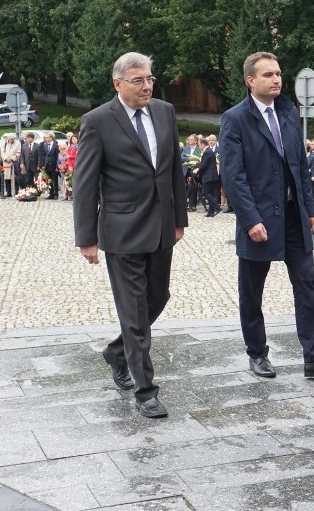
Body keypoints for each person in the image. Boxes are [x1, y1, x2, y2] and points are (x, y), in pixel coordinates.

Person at [73, 52, 188, 419]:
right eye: (138, 80)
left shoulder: (164, 112)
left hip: (161, 227)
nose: (147, 86)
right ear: (118, 83)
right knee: (134, 311)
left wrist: (179, 218)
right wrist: (86, 237)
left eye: (150, 79)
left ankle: (117, 351)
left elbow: (173, 172)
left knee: (159, 296)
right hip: (120, 231)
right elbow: (86, 182)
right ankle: (145, 390)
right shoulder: (97, 122)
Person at [220, 51, 314, 380]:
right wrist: (251, 219)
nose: (277, 79)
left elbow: (300, 166)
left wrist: (310, 210)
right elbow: (233, 175)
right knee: (252, 291)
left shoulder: (288, 113)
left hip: (294, 217)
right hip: (260, 219)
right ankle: (257, 353)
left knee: (307, 285)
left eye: (279, 73)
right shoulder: (236, 118)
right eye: (268, 74)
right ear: (250, 80)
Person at [196, 136, 220, 217]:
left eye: (199, 145)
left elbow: (204, 165)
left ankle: (216, 206)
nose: (199, 147)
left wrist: (197, 171)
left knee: (205, 192)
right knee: (211, 193)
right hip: (212, 176)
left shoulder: (207, 152)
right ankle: (211, 212)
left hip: (208, 176)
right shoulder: (209, 151)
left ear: (203, 144)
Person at [181, 134, 201, 211]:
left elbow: (200, 159)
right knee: (184, 187)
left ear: (195, 141)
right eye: (189, 139)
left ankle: (193, 205)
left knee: (193, 187)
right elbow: (181, 158)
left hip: (194, 171)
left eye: (191, 139)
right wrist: (189, 158)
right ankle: (184, 204)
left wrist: (195, 161)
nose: (189, 140)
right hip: (186, 170)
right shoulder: (186, 149)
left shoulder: (199, 149)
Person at [40, 132, 60, 199]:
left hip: (54, 164)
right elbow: (43, 155)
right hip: (47, 164)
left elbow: (58, 155)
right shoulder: (45, 145)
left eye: (47, 137)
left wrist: (57, 165)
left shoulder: (56, 145)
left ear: (51, 137)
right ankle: (51, 193)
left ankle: (56, 194)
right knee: (49, 180)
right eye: (45, 137)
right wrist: (43, 164)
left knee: (55, 180)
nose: (46, 139)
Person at [65, 134, 78, 200]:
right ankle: (73, 194)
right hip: (72, 165)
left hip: (78, 164)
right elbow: (68, 158)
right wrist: (70, 166)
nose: (74, 140)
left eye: (75, 139)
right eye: (73, 139)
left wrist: (71, 156)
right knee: (73, 180)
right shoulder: (70, 147)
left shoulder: (80, 147)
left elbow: (79, 155)